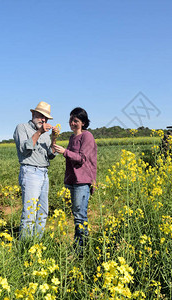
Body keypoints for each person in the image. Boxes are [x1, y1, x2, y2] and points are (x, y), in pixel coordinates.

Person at [53, 107, 97, 255]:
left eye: (76, 121)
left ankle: (81, 250)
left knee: (80, 216)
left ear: (83, 123)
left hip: (82, 181)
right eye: (71, 120)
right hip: (71, 180)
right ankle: (79, 246)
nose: (72, 123)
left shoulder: (87, 137)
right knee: (76, 215)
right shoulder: (72, 138)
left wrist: (64, 152)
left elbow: (81, 159)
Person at [13, 101, 59, 240]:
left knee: (43, 212)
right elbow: (24, 149)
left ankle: (36, 244)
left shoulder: (45, 133)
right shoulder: (22, 128)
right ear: (33, 114)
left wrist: (54, 139)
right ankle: (25, 247)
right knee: (30, 212)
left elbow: (50, 155)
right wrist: (39, 132)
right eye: (40, 116)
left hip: (44, 172)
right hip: (30, 171)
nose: (43, 120)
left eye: (46, 118)